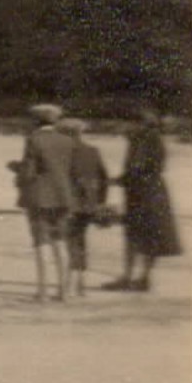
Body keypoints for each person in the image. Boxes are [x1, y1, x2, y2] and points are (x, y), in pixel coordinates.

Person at [103, 105, 183, 292]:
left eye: (126, 124)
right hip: (155, 190)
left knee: (134, 235)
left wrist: (115, 181)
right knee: (152, 235)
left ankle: (128, 277)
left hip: (142, 192)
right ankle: (144, 278)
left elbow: (136, 168)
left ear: (137, 124)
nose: (122, 128)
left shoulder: (142, 139)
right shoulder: (154, 138)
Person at [9, 103, 76, 302]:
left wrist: (16, 170)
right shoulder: (68, 141)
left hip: (39, 197)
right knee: (61, 242)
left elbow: (29, 172)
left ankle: (43, 291)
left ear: (36, 121)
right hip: (63, 196)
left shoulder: (33, 140)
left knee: (41, 242)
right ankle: (64, 290)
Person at [57, 118, 110, 297]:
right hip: (89, 204)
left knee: (69, 241)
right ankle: (81, 282)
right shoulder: (93, 151)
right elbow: (104, 179)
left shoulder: (64, 152)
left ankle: (70, 284)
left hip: (70, 203)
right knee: (80, 240)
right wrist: (100, 202)